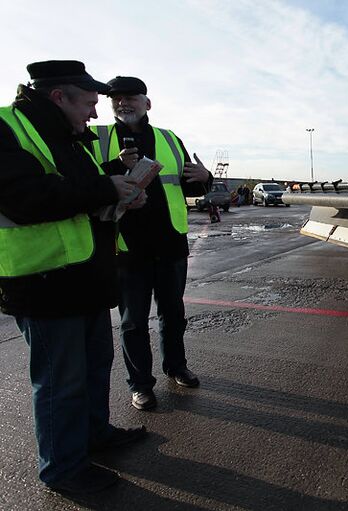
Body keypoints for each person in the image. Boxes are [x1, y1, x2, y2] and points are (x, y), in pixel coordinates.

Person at [0, 61, 147, 494]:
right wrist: (106, 190)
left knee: (94, 367)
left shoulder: (71, 137)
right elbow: (26, 199)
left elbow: (80, 190)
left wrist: (119, 190)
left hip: (85, 276)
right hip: (43, 279)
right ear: (58, 97)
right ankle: (63, 470)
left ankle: (94, 435)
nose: (95, 113)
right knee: (60, 382)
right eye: (88, 102)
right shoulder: (6, 129)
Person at [90, 76, 212, 411]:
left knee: (173, 313)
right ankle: (140, 385)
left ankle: (176, 366)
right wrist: (118, 166)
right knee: (133, 321)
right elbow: (83, 183)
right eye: (116, 99)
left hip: (171, 242)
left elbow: (189, 186)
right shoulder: (97, 138)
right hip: (127, 247)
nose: (123, 103)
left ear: (147, 103)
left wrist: (206, 179)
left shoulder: (170, 139)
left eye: (130, 97)